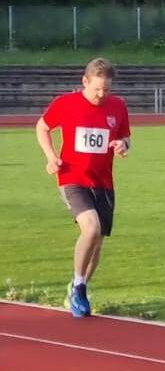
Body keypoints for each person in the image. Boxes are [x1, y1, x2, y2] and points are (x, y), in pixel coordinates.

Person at [35, 57, 131, 318]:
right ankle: (78, 286)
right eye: (97, 89)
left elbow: (125, 137)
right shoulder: (66, 103)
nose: (101, 95)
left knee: (97, 243)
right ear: (84, 81)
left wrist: (123, 145)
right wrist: (51, 156)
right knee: (91, 228)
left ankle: (79, 287)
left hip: (103, 182)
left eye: (106, 89)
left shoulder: (118, 106)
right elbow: (42, 127)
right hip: (72, 178)